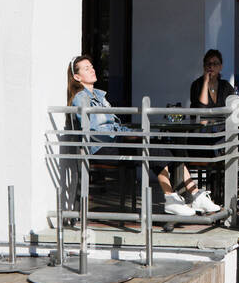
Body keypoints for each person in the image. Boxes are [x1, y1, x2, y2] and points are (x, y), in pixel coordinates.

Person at [67, 56, 219, 217]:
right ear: (77, 77)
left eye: (91, 66)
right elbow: (97, 130)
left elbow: (114, 126)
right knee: (156, 151)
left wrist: (131, 134)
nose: (92, 70)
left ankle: (192, 196)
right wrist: (125, 136)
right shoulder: (81, 98)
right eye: (86, 68)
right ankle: (174, 199)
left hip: (114, 143)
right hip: (102, 149)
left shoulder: (99, 96)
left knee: (169, 150)